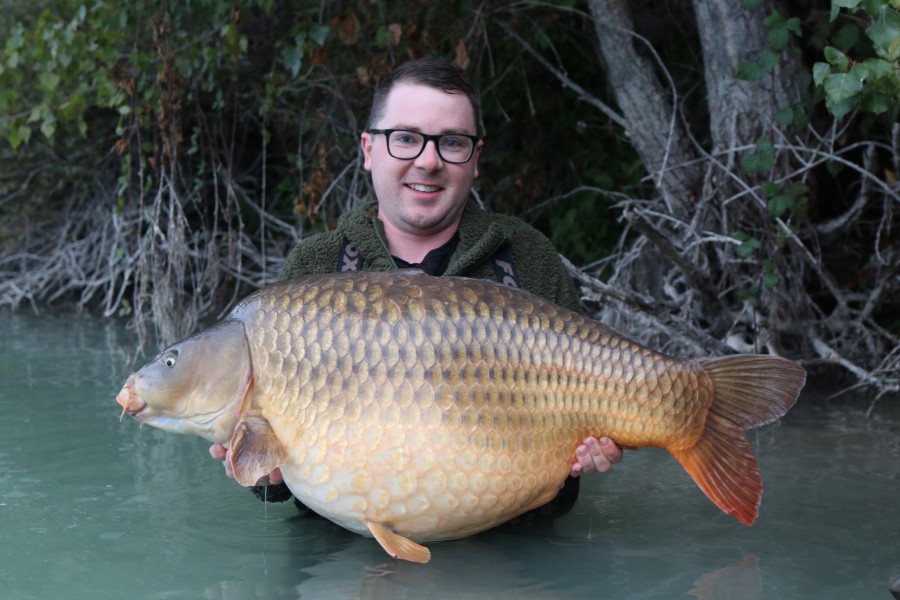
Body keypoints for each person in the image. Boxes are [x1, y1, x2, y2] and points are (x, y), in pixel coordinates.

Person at [209, 57, 623, 520]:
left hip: (507, 559)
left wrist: (582, 460)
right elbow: (279, 491)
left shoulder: (526, 257)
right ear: (368, 149)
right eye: (405, 138)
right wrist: (259, 472)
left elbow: (565, 492)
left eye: (451, 142)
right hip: (342, 568)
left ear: (475, 158)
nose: (428, 161)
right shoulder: (315, 266)